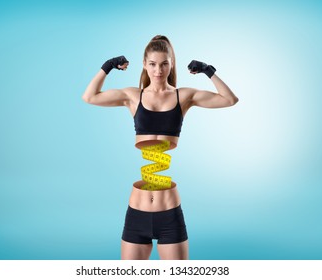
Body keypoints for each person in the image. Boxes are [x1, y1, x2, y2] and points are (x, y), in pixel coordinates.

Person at [82, 35, 238, 260]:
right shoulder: (132, 96)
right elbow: (89, 97)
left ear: (171, 63)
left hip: (169, 215)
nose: (158, 70)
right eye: (153, 64)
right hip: (137, 213)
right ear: (145, 65)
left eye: (164, 63)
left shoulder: (183, 96)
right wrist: (108, 66)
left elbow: (229, 99)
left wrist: (207, 70)